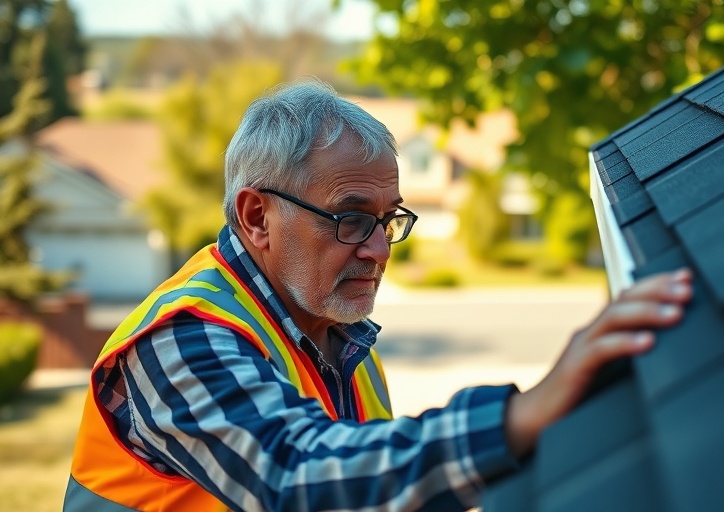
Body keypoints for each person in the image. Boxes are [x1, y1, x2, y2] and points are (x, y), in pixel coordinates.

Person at [63, 79, 692, 512]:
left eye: (389, 219)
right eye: (350, 217)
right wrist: (518, 419)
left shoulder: (339, 342)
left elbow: (374, 489)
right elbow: (295, 478)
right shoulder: (182, 337)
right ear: (256, 218)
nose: (379, 249)